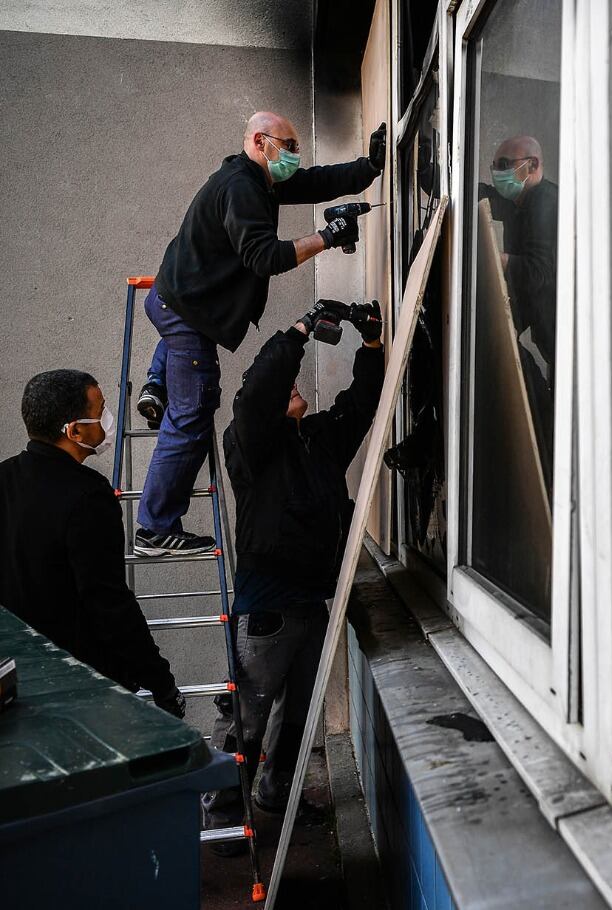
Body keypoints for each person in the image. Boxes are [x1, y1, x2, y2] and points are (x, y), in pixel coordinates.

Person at [132, 111, 387, 556]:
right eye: (287, 146)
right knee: (193, 412)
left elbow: (312, 182)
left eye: (295, 147)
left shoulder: (258, 177)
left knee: (182, 379)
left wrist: (369, 167)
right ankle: (154, 528)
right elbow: (264, 257)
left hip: (178, 302)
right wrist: (327, 236)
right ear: (259, 141)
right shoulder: (242, 188)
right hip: (187, 315)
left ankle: (158, 382)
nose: (294, 155)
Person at [201, 299, 385, 844]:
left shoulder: (317, 441)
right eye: (286, 388)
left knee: (297, 715)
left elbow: (362, 405)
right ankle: (221, 812)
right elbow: (257, 391)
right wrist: (300, 330)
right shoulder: (251, 448)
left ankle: (275, 791)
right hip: (267, 609)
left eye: (295, 384)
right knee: (246, 714)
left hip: (311, 602)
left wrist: (370, 344)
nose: (295, 387)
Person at [0, 369, 184, 717]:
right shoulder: (88, 497)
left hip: (14, 680)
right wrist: (161, 682)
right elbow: (108, 602)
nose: (108, 418)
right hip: (80, 689)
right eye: (100, 410)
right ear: (75, 430)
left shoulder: (3, 479)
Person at [480, 135, 558, 467]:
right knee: (498, 346)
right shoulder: (519, 202)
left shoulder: (544, 203)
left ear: (532, 166)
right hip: (546, 329)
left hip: (566, 337)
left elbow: (540, 273)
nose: (498, 174)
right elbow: (482, 194)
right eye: (494, 166)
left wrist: (495, 257)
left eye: (503, 166)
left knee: (549, 418)